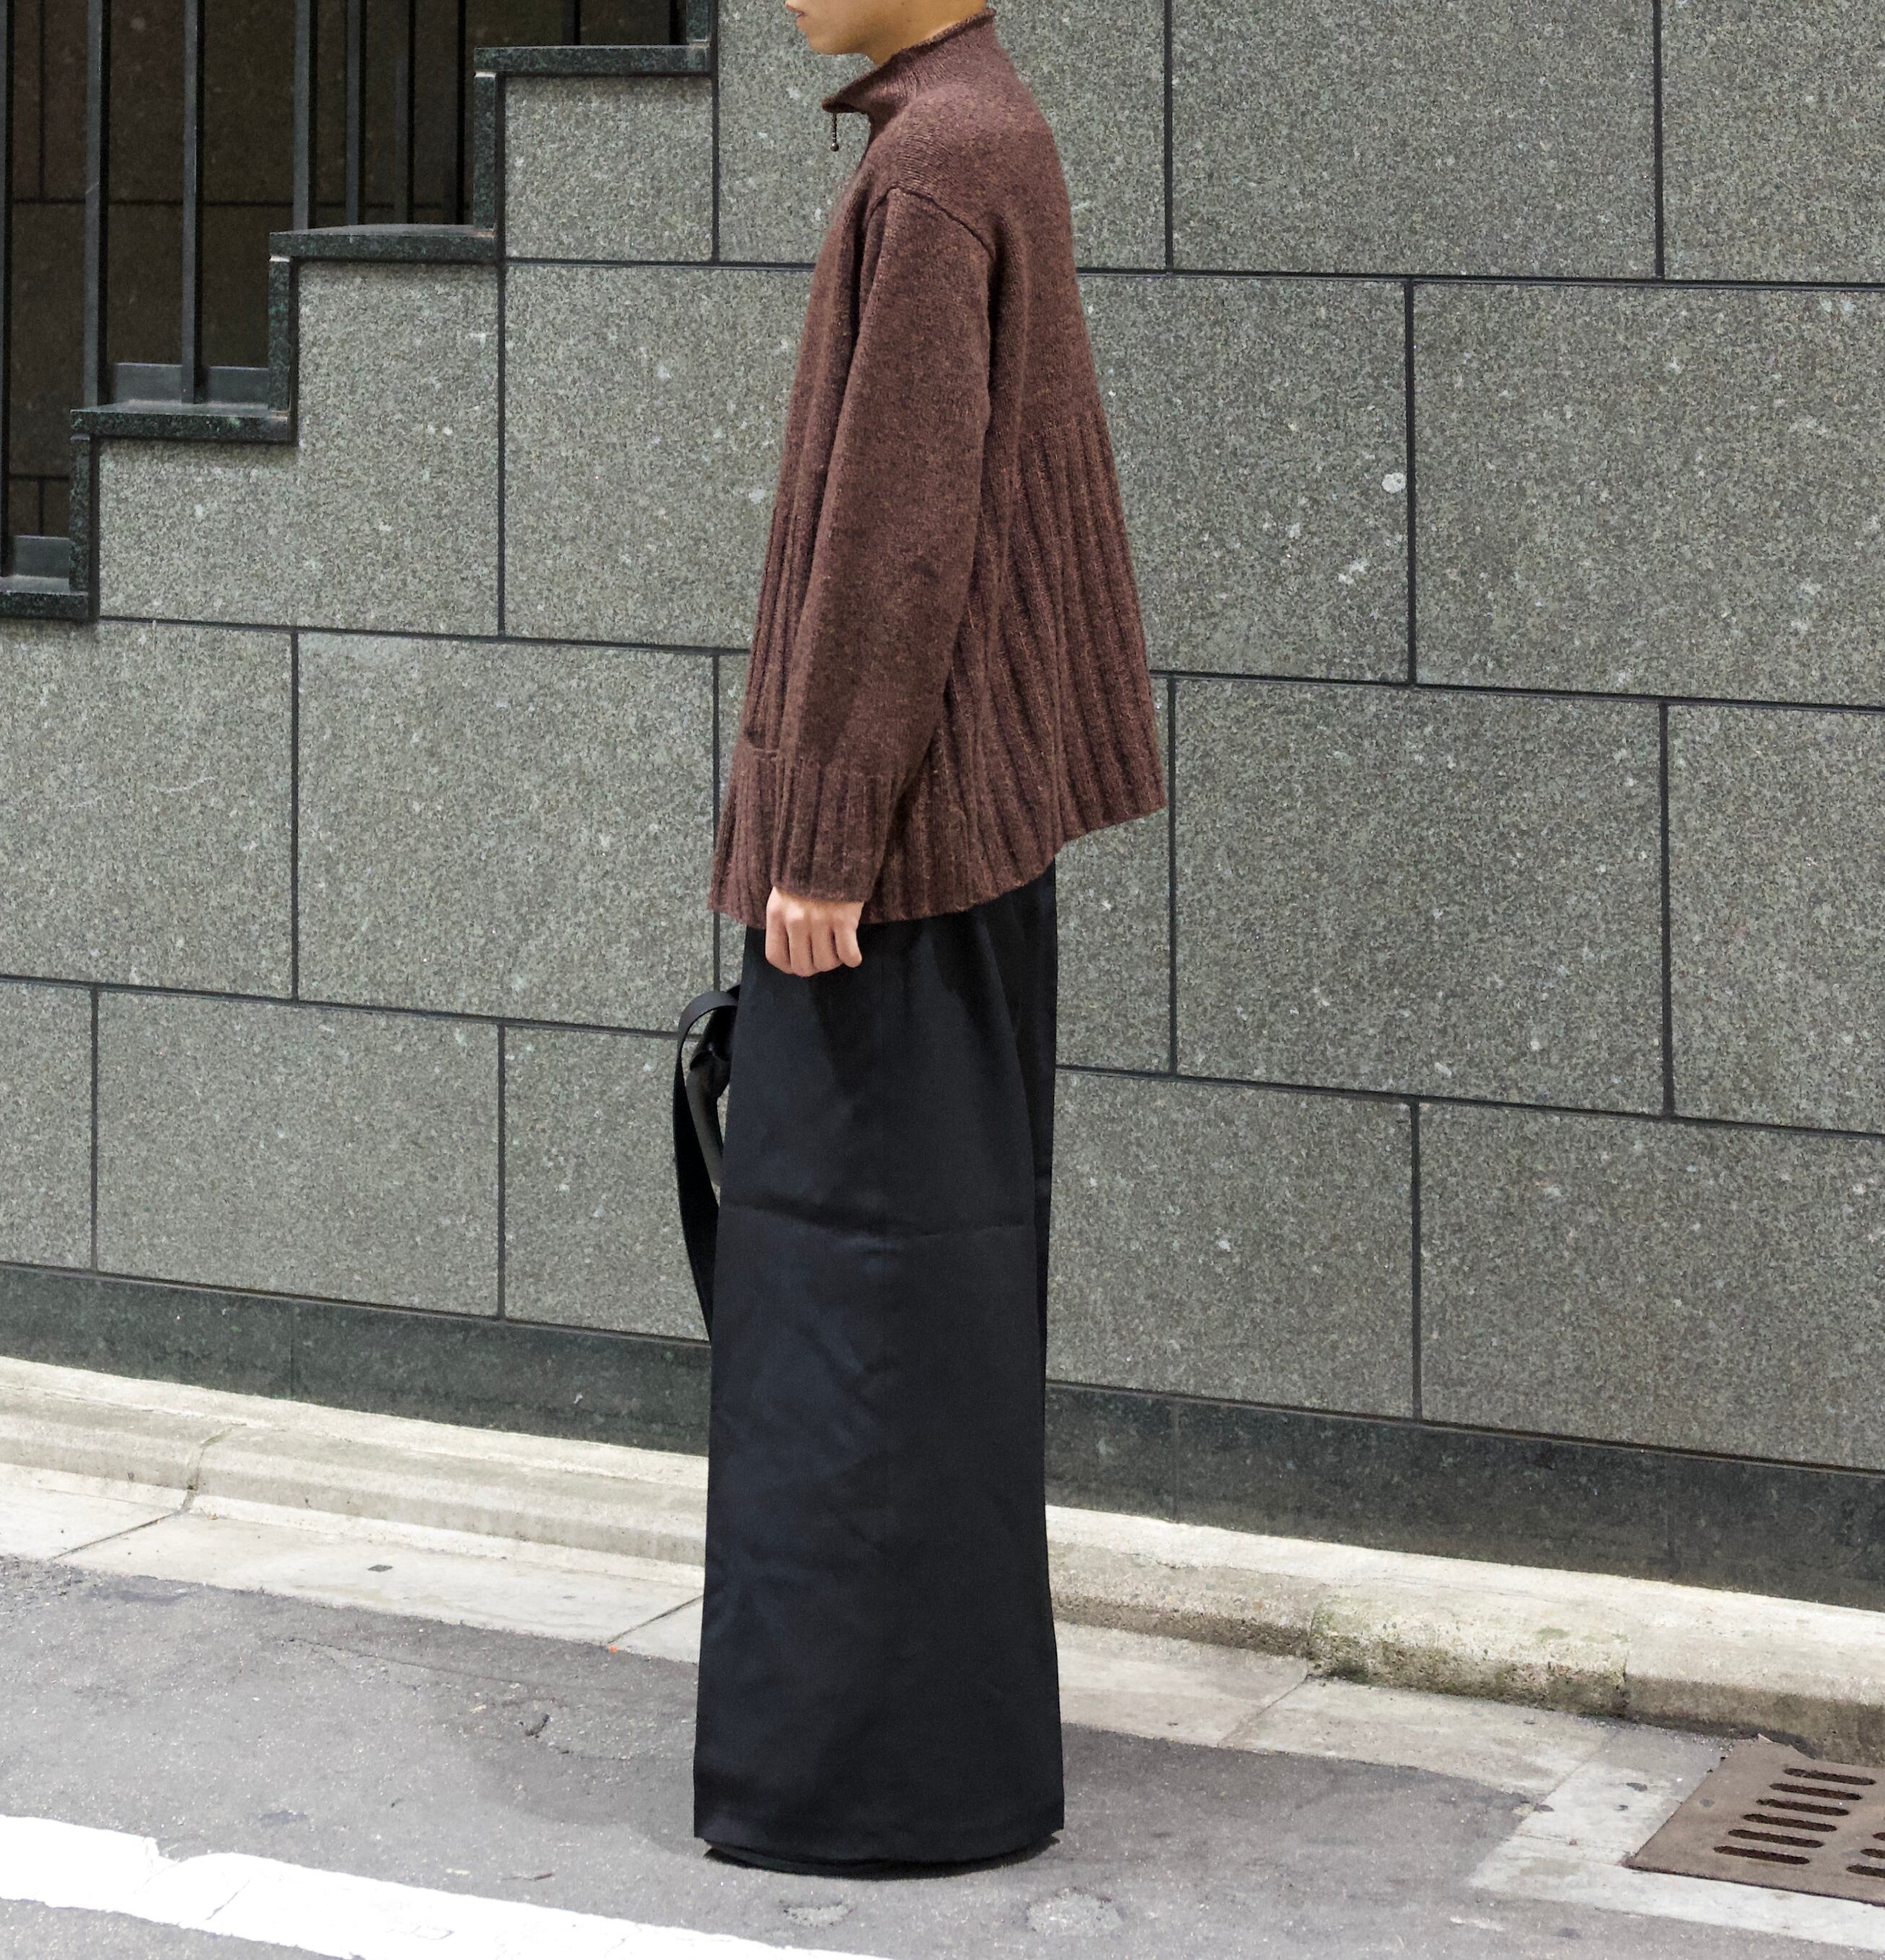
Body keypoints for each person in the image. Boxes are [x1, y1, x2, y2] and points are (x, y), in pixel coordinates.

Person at [694, 0, 1167, 1878]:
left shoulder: (940, 162)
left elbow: (902, 537)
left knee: (854, 1295)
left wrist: (823, 833)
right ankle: (938, 1758)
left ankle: (869, 1782)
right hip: (959, 841)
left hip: (891, 861)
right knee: (931, 1294)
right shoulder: (981, 129)